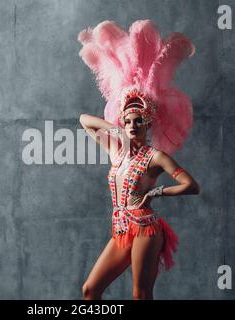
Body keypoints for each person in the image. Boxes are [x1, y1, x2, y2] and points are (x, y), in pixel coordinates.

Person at [77, 19, 200, 300]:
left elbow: (192, 185)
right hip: (121, 228)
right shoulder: (115, 149)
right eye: (128, 121)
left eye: (138, 122)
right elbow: (85, 121)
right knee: (90, 290)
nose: (132, 126)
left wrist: (157, 191)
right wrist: (115, 128)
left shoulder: (155, 157)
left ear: (148, 125)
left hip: (145, 228)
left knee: (140, 295)